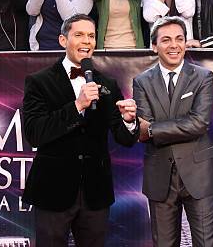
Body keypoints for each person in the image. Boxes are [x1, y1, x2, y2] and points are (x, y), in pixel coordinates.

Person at [22, 14, 139, 247]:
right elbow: (35, 133)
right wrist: (77, 106)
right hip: (52, 190)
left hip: (95, 193)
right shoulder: (39, 81)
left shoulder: (108, 84)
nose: (86, 41)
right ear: (63, 40)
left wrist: (128, 121)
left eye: (91, 36)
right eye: (79, 35)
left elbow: (124, 138)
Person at [133, 16, 213, 247]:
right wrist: (149, 129)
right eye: (166, 40)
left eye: (179, 39)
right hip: (159, 176)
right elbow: (141, 131)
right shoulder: (141, 81)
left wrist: (154, 128)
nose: (174, 45)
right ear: (154, 46)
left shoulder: (203, 77)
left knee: (206, 243)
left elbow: (199, 124)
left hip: (199, 175)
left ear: (186, 43)